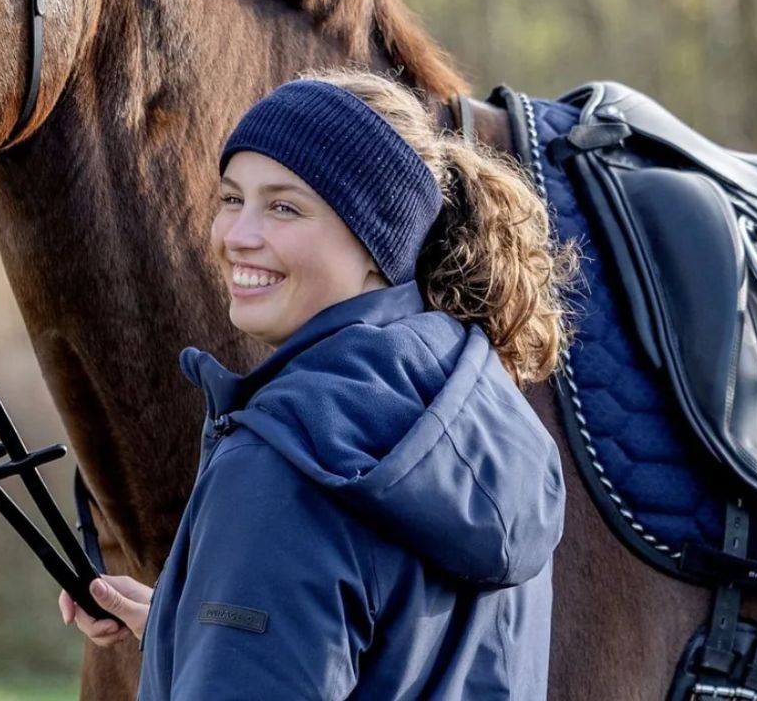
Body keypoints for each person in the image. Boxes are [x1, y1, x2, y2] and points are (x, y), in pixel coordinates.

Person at [57, 70, 576, 699]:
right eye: (230, 198)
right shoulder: (482, 416)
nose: (236, 237)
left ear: (374, 237)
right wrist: (186, 623)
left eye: (283, 206)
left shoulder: (281, 465)